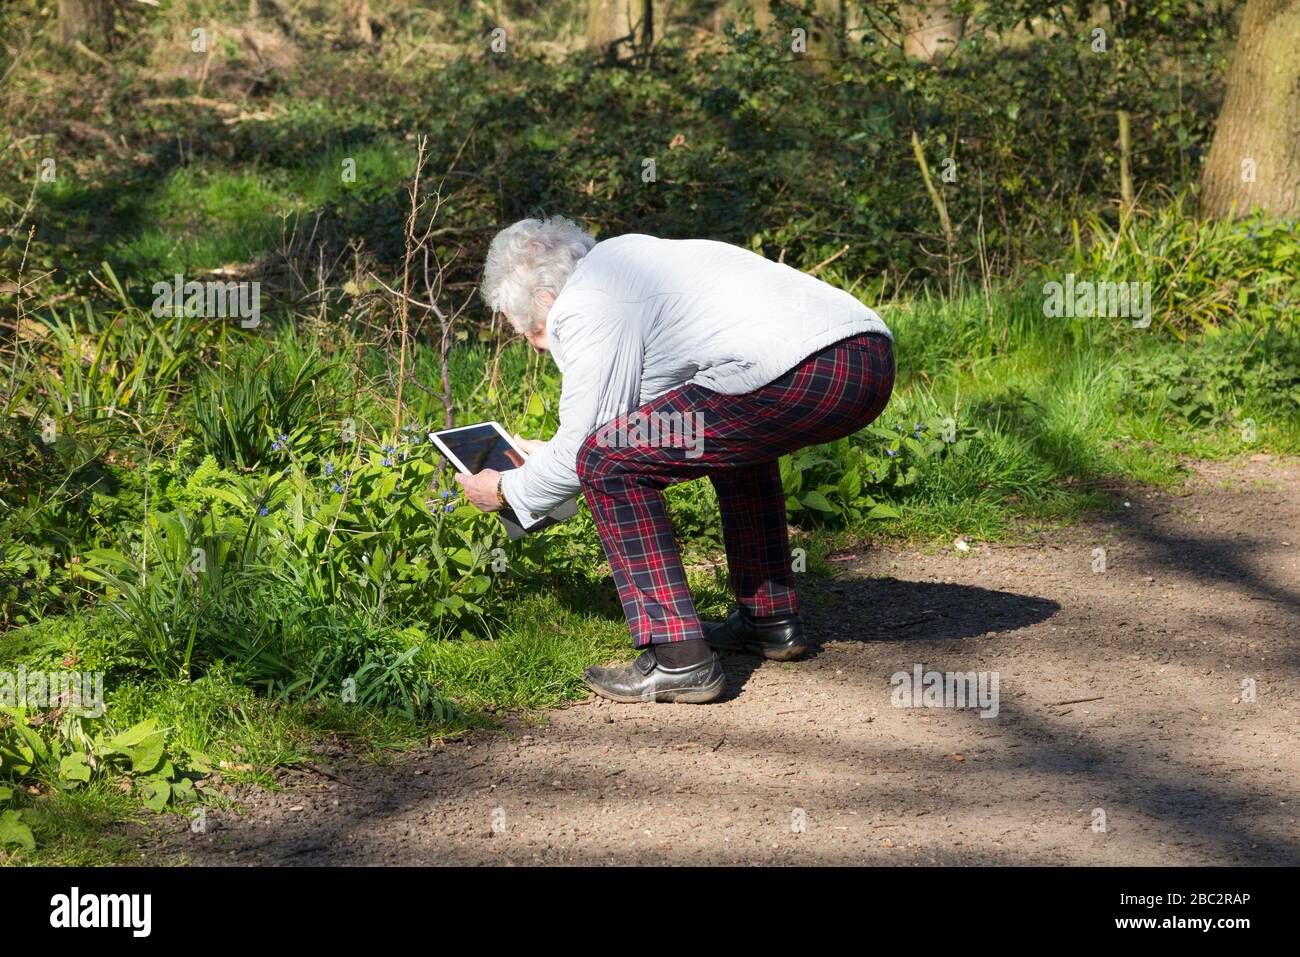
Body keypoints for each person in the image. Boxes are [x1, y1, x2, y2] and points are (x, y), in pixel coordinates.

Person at [455, 216, 895, 704]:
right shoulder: (632, 265)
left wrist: (503, 489)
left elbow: (591, 447)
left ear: (542, 301)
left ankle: (678, 660)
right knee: (729, 444)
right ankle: (769, 620)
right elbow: (645, 421)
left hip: (806, 370)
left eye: (530, 332)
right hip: (866, 358)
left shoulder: (586, 301)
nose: (538, 344)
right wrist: (549, 457)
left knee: (607, 462)